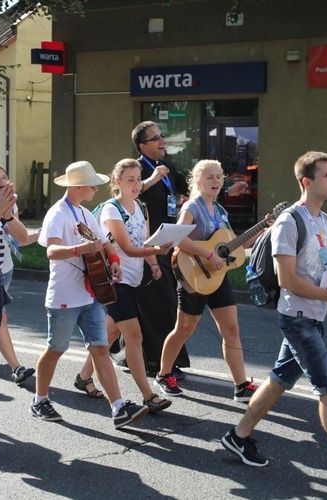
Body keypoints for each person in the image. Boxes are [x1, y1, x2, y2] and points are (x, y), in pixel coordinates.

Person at [221, 151, 327, 490]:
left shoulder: (325, 222)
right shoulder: (290, 221)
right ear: (307, 181)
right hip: (296, 319)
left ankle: (238, 436)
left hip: (314, 318)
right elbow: (288, 280)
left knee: (278, 381)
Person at [32, 160, 148, 429]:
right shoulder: (58, 213)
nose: (97, 188)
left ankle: (118, 407)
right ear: (80, 186)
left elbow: (105, 242)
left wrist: (114, 260)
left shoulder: (84, 213)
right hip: (64, 294)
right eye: (93, 184)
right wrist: (79, 250)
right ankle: (40, 399)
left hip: (90, 293)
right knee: (56, 349)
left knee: (100, 348)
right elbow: (50, 251)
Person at [155, 159, 256, 401]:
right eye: (210, 177)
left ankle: (240, 385)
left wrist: (262, 230)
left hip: (218, 277)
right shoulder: (192, 207)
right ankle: (164, 374)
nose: (216, 181)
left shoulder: (220, 211)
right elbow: (178, 238)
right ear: (198, 181)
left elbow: (233, 244)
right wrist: (208, 254)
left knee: (231, 329)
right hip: (194, 275)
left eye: (219, 177)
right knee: (184, 330)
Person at [80, 158, 174, 412]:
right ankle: (148, 395)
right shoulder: (112, 209)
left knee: (109, 334)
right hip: (114, 281)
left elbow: (146, 240)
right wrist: (155, 251)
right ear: (117, 182)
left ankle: (83, 377)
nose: (135, 184)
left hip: (133, 280)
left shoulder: (141, 206)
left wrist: (154, 263)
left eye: (137, 179)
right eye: (129, 180)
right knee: (134, 336)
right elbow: (130, 248)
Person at [131, 121, 190, 378]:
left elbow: (183, 189)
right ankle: (159, 363)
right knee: (157, 304)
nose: (162, 140)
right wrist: (152, 180)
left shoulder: (169, 166)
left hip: (168, 242)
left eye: (162, 136)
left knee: (161, 302)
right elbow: (129, 193)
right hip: (146, 246)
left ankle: (142, 355)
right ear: (143, 146)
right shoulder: (138, 168)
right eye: (156, 138)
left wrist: (185, 198)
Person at [0, 163, 37, 385]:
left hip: (4, 270)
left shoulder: (10, 205)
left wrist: (42, 235)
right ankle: (16, 367)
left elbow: (19, 239)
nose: (1, 181)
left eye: (4, 176)